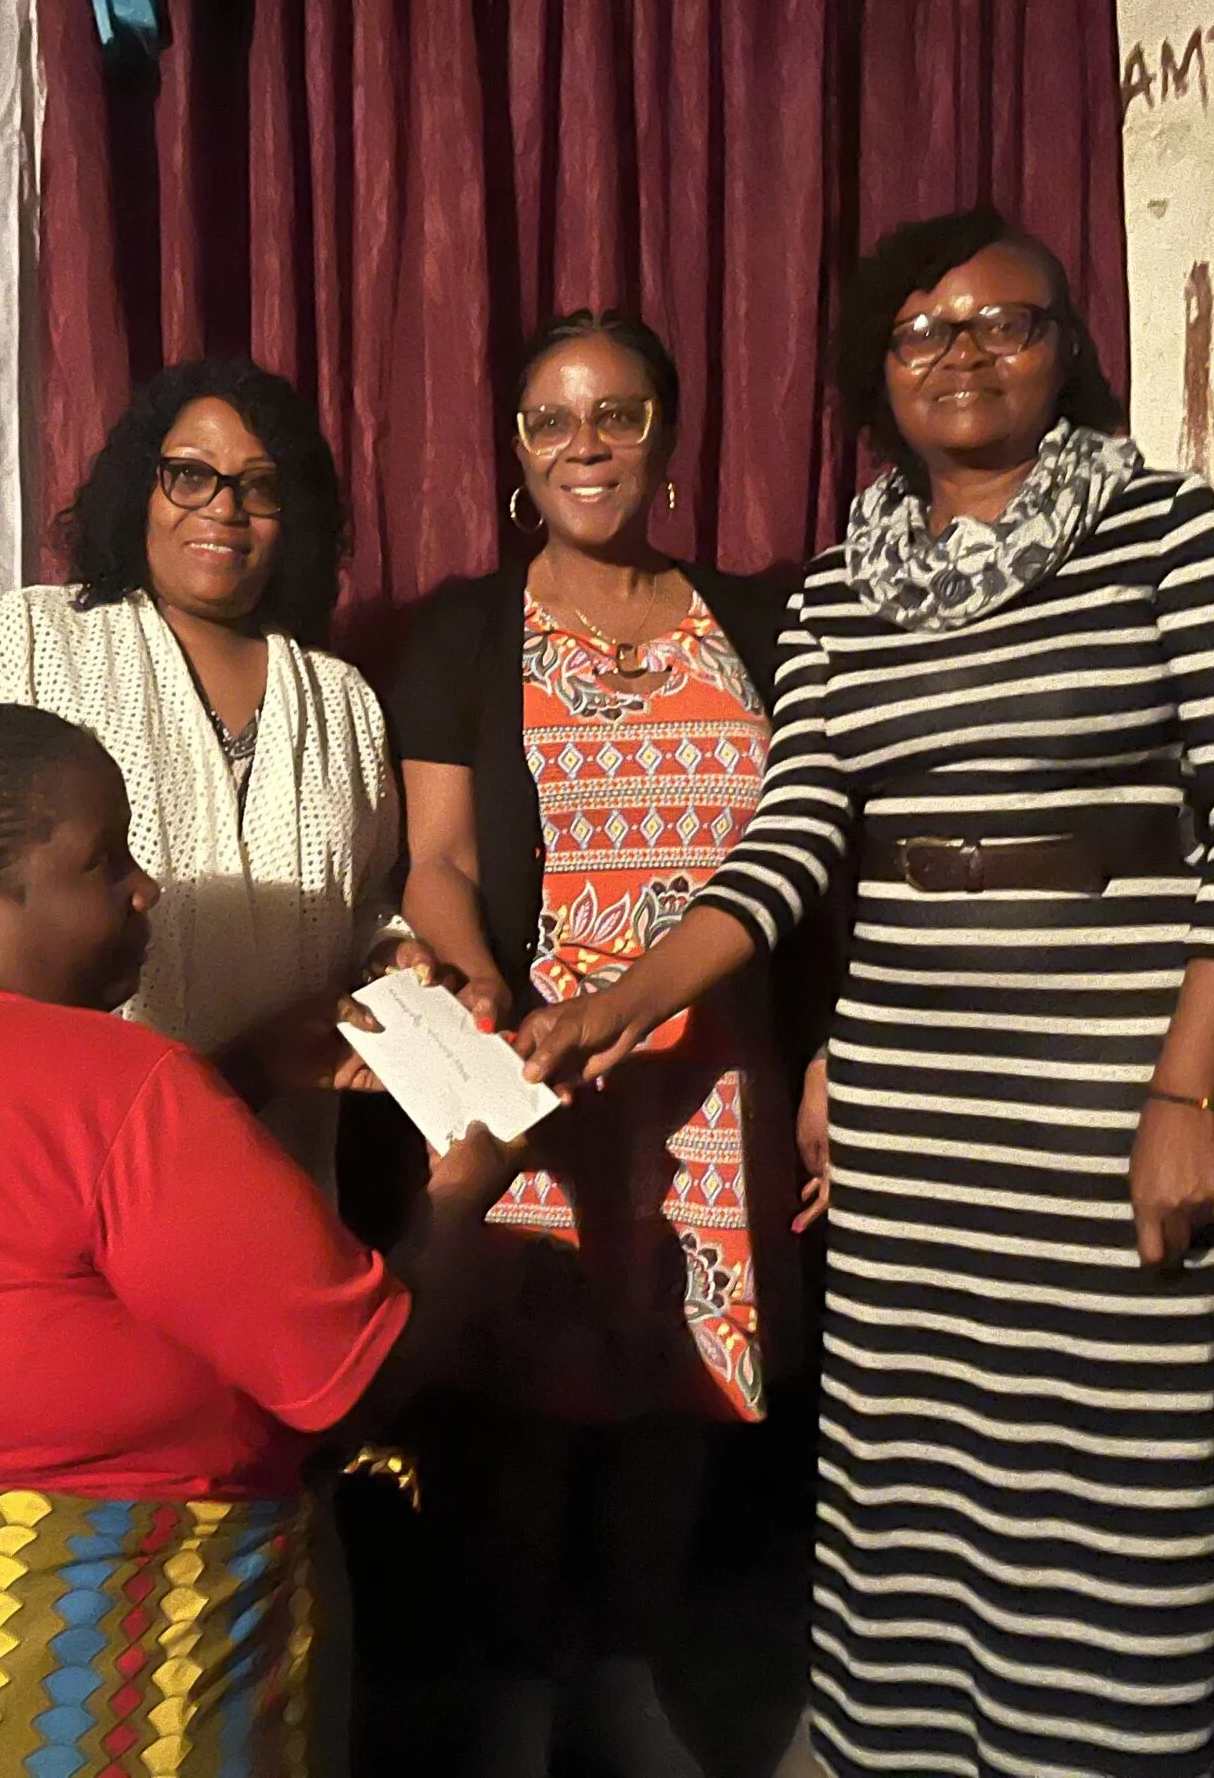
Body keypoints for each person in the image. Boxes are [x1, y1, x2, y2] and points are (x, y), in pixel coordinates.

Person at [518, 210, 1214, 1777]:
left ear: (1065, 349)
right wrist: (619, 1002)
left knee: (1124, 1481)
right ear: (875, 370)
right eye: (922, 330)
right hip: (912, 1104)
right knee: (924, 1476)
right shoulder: (840, 591)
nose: (962, 353)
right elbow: (790, 843)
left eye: (1004, 323)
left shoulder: (1170, 534)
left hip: (1111, 1092)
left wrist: (1188, 1089)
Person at [0, 705, 527, 1778]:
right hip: (85, 1701)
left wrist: (248, 1070)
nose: (146, 888)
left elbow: (42, 1208)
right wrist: (459, 1197)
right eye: (105, 863)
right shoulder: (130, 1088)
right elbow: (359, 1380)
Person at [384, 310, 809, 1778]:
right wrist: (477, 991)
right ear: (514, 449)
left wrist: (817, 1058)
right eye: (551, 419)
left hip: (716, 1076)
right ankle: (515, 1693)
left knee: (676, 1394)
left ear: (665, 437)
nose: (585, 445)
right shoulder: (462, 632)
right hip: (535, 1062)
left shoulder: (759, 623)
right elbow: (437, 859)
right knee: (525, 1400)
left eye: (617, 415)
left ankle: (627, 1677)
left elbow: (812, 858)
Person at [0, 358, 432, 1192]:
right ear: (143, 488)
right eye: (190, 475)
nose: (224, 509)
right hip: (56, 1162)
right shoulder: (31, 641)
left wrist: (393, 956)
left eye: (259, 486)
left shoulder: (341, 700)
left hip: (273, 1174)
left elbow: (363, 904)